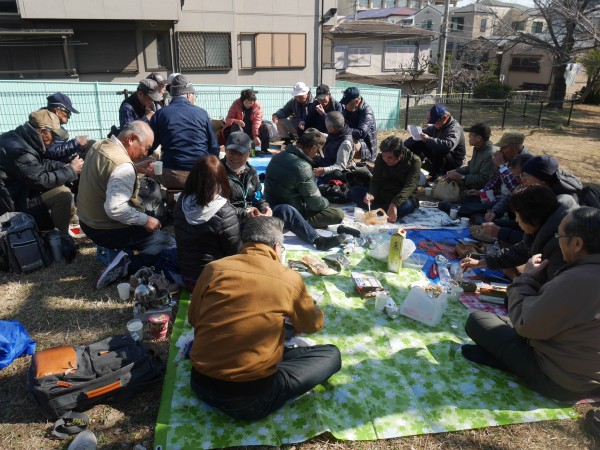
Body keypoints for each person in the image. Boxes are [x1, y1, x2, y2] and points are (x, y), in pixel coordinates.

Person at [188, 216, 342, 420]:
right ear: (277, 248)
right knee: (331, 354)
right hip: (250, 399)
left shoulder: (214, 269)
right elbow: (313, 325)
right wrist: (309, 304)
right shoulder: (288, 278)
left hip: (199, 382)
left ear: (244, 242)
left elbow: (194, 318)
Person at [462, 206, 600, 401]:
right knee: (499, 322)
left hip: (559, 379)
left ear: (577, 243)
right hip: (583, 369)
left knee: (477, 320)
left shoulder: (577, 280)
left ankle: (509, 362)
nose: (557, 241)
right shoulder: (586, 273)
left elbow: (526, 325)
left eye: (559, 236)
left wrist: (525, 278)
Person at [77, 121, 175, 289]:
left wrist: (135, 168)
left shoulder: (100, 145)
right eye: (146, 148)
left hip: (86, 221)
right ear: (132, 139)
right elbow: (115, 209)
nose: (146, 153)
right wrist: (145, 220)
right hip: (105, 228)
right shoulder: (123, 166)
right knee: (168, 244)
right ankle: (127, 265)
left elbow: (108, 174)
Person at [223, 132, 346, 250]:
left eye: (240, 153)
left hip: (254, 218)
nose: (235, 157)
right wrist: (246, 213)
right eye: (231, 152)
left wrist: (265, 208)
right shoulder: (217, 172)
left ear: (248, 153)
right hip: (232, 223)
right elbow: (220, 209)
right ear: (225, 151)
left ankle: (318, 241)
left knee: (285, 210)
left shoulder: (251, 172)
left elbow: (259, 197)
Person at [461, 185, 570, 284]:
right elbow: (518, 252)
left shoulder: (560, 244)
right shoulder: (541, 229)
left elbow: (550, 290)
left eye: (518, 216)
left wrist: (524, 279)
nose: (516, 220)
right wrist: (479, 263)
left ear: (532, 217)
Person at [0, 110, 82, 237]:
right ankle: (61, 239)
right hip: (14, 203)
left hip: (15, 193)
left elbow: (37, 164)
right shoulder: (20, 151)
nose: (55, 139)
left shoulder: (16, 138)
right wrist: (71, 171)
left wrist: (62, 166)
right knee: (63, 194)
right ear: (43, 132)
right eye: (53, 134)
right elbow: (41, 181)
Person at [174, 155, 242, 288]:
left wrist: (244, 213)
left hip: (187, 275)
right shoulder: (224, 211)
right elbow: (235, 252)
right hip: (214, 280)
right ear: (221, 180)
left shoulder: (182, 201)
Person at [149, 74, 220, 189]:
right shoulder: (202, 114)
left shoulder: (160, 114)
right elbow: (214, 147)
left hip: (172, 177)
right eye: (193, 95)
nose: (194, 98)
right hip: (200, 176)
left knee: (149, 173)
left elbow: (150, 145)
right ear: (188, 94)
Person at [265, 128, 344, 229]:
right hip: (292, 213)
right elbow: (316, 204)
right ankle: (299, 224)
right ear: (313, 148)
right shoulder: (303, 167)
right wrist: (327, 202)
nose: (316, 155)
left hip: (272, 206)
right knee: (337, 214)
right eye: (317, 152)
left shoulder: (277, 156)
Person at [458, 131, 530, 219]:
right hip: (499, 196)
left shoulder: (526, 161)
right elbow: (496, 180)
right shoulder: (509, 157)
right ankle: (476, 213)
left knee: (478, 207)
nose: (500, 151)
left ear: (515, 148)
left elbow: (514, 189)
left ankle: (472, 213)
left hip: (510, 201)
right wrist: (481, 191)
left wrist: (502, 166)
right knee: (471, 198)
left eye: (503, 147)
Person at [349, 136, 421, 222]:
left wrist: (395, 203)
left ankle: (383, 209)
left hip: (402, 197)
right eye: (384, 156)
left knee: (406, 206)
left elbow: (410, 186)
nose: (386, 160)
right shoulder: (380, 158)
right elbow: (375, 179)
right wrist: (371, 193)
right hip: (384, 193)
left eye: (390, 157)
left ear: (400, 155)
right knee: (354, 191)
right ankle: (385, 210)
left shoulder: (414, 161)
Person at [403, 104, 465, 180]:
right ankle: (411, 167)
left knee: (440, 149)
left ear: (445, 118)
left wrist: (428, 139)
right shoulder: (439, 125)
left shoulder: (455, 128)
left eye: (435, 122)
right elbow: (424, 132)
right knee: (419, 142)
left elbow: (449, 145)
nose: (433, 125)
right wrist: (404, 145)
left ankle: (433, 177)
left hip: (453, 162)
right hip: (439, 158)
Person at [445, 122, 495, 190]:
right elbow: (470, 168)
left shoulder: (490, 155)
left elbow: (484, 180)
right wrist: (456, 171)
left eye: (471, 134)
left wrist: (462, 177)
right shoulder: (478, 148)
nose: (468, 137)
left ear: (479, 138)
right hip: (472, 183)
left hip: (480, 190)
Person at [44, 92, 92, 162]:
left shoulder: (53, 125)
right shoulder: (44, 126)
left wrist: (79, 146)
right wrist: (76, 142)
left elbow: (60, 146)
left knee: (91, 144)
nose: (69, 116)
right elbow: (51, 152)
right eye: (68, 112)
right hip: (54, 164)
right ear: (57, 111)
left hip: (59, 161)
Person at [224, 89, 274, 153]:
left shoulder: (257, 106)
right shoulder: (236, 104)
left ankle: (263, 149)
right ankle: (239, 150)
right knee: (236, 126)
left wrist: (256, 136)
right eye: (246, 102)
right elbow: (228, 119)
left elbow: (257, 121)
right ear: (242, 100)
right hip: (240, 130)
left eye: (251, 103)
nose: (248, 105)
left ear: (254, 101)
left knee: (266, 127)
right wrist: (236, 121)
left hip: (253, 129)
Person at [313, 112, 354, 183]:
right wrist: (318, 134)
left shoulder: (345, 143)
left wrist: (323, 170)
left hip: (333, 170)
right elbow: (331, 138)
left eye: (326, 125)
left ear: (332, 129)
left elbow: (340, 166)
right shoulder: (338, 131)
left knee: (336, 174)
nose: (325, 126)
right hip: (326, 162)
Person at [340, 87, 377, 161]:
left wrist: (343, 130)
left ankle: (343, 164)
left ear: (356, 102)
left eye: (347, 103)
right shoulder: (349, 109)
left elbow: (361, 133)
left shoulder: (367, 111)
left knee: (343, 144)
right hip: (355, 140)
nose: (345, 106)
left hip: (366, 146)